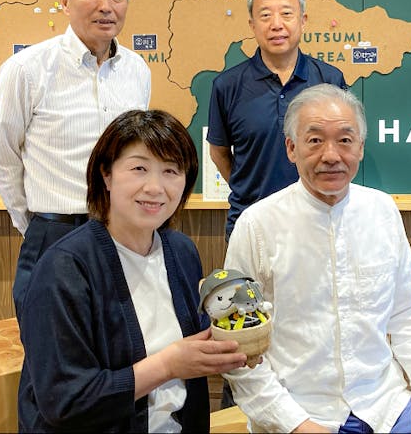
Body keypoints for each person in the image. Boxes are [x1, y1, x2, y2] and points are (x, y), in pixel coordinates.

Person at [223, 84, 411, 434]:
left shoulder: (382, 211)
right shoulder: (257, 225)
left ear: (360, 147)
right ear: (291, 148)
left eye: (345, 140)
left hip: (385, 404)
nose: (331, 155)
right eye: (315, 141)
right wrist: (295, 424)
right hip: (299, 410)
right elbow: (237, 347)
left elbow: (407, 313)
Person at [16, 110, 248, 432]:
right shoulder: (64, 268)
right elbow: (65, 401)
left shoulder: (181, 251)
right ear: (106, 175)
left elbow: (194, 342)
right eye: (139, 168)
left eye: (171, 171)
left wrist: (237, 343)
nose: (155, 187)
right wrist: (167, 365)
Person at [0, 0, 151, 311]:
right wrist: (36, 225)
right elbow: (3, 156)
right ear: (64, 0)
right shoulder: (26, 69)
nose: (106, 5)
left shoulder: (137, 70)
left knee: (122, 335)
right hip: (55, 231)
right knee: (50, 337)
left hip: (122, 231)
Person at [207, 0, 347, 240]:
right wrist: (249, 188)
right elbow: (219, 153)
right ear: (252, 24)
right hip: (250, 223)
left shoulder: (330, 80)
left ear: (303, 20)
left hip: (318, 222)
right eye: (265, 15)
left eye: (286, 14)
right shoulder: (227, 85)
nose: (276, 24)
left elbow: (342, 147)